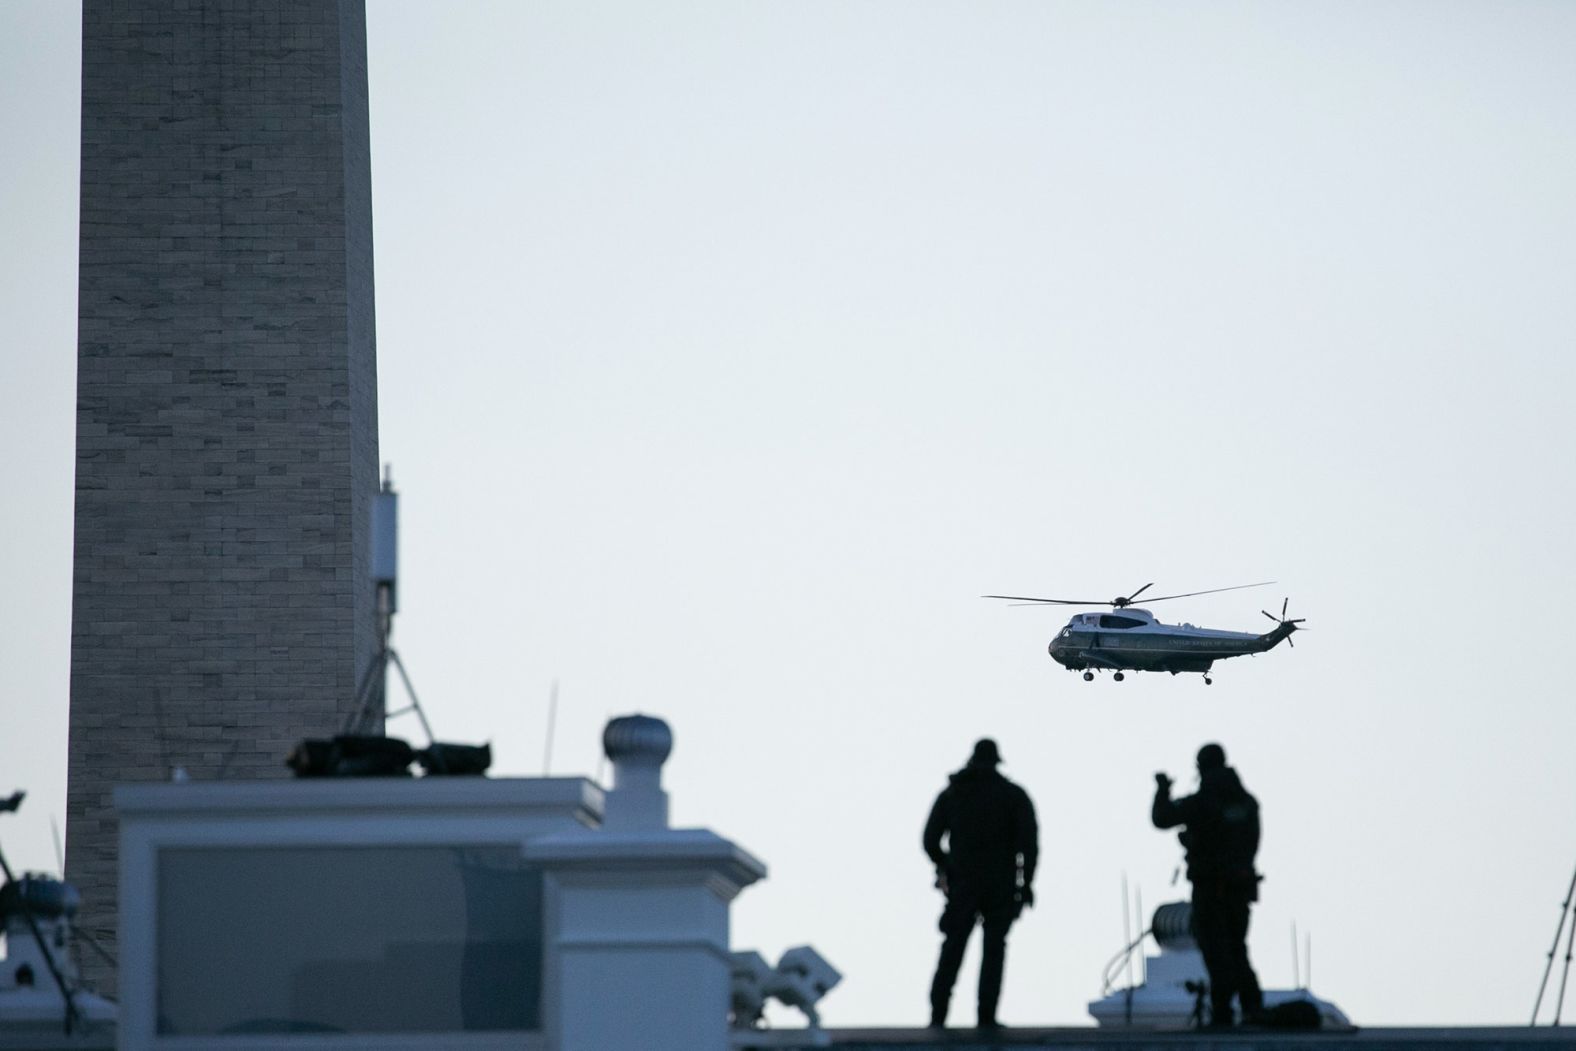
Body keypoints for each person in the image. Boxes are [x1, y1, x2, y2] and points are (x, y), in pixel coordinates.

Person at [923, 738, 1038, 1030]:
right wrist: (1025, 885)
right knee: (992, 950)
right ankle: (985, 1018)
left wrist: (947, 865)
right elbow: (1030, 846)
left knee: (953, 950)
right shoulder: (1012, 796)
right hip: (999, 885)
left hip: (965, 884)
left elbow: (930, 841)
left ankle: (938, 1018)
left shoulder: (953, 794)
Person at [1151, 742, 1264, 1028]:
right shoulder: (1247, 803)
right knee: (1237, 949)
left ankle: (1223, 1011)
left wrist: (1163, 789)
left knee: (1216, 952)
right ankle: (1252, 1007)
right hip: (1239, 890)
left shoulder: (1202, 802)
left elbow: (1162, 818)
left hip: (1211, 890)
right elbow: (1248, 843)